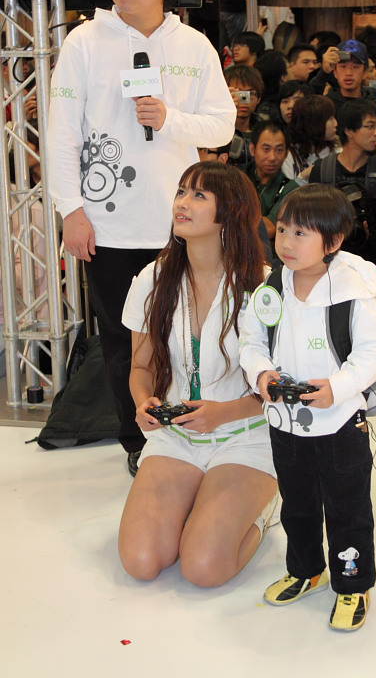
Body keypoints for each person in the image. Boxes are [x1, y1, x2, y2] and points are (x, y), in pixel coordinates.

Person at [47, 0, 236, 475]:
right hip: (107, 225)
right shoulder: (84, 42)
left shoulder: (192, 45)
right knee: (120, 340)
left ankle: (193, 426)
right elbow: (62, 134)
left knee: (186, 333)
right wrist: (71, 210)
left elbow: (223, 124)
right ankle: (139, 440)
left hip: (181, 226)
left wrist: (170, 118)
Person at [239, 185, 376, 631]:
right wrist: (261, 374)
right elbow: (251, 341)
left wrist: (338, 387)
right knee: (297, 504)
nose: (286, 242)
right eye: (283, 229)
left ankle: (352, 583)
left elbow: (375, 351)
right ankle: (306, 569)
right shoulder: (271, 286)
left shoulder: (353, 290)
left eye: (301, 233)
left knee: (348, 509)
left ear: (333, 241)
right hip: (285, 422)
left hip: (340, 423)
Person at [118, 161, 277, 585]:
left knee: (204, 567)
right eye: (181, 191)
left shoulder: (264, 287)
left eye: (199, 195)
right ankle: (199, 504)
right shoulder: (152, 279)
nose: (182, 203)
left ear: (230, 213)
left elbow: (279, 387)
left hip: (246, 436)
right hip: (175, 437)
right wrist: (143, 403)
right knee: (141, 561)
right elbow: (140, 366)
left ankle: (266, 508)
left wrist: (224, 413)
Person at [309, 100, 376, 268]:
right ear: (349, 130)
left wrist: (370, 236)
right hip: (332, 263)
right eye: (370, 126)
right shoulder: (323, 170)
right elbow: (311, 218)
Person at [243, 121, 299, 240]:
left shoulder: (291, 189)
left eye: (279, 150)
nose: (272, 157)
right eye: (266, 149)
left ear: (286, 153)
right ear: (252, 149)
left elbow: (268, 229)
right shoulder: (238, 176)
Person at [281, 95, 338, 183]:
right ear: (314, 124)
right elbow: (286, 191)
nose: (336, 123)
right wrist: (303, 177)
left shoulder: (336, 153)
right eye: (330, 119)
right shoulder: (288, 156)